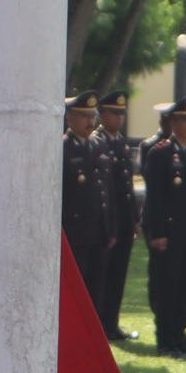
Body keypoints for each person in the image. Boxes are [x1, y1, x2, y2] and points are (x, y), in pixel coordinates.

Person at [142, 97, 186, 356]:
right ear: (173, 123)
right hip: (169, 233)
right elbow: (155, 198)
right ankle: (166, 339)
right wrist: (157, 233)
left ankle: (180, 333)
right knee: (167, 286)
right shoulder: (160, 153)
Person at [95, 90, 142, 343]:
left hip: (123, 220)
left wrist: (134, 219)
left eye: (122, 113)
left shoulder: (122, 143)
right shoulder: (98, 142)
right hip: (106, 222)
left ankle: (112, 323)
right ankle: (101, 325)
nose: (119, 117)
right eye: (114, 113)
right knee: (103, 275)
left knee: (118, 276)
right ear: (102, 115)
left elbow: (127, 187)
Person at [60, 94, 112, 307]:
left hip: (99, 231)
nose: (90, 121)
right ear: (70, 118)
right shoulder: (62, 148)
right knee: (76, 290)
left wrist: (110, 227)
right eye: (84, 116)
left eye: (92, 116)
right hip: (75, 232)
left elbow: (107, 191)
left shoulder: (99, 146)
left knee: (97, 289)